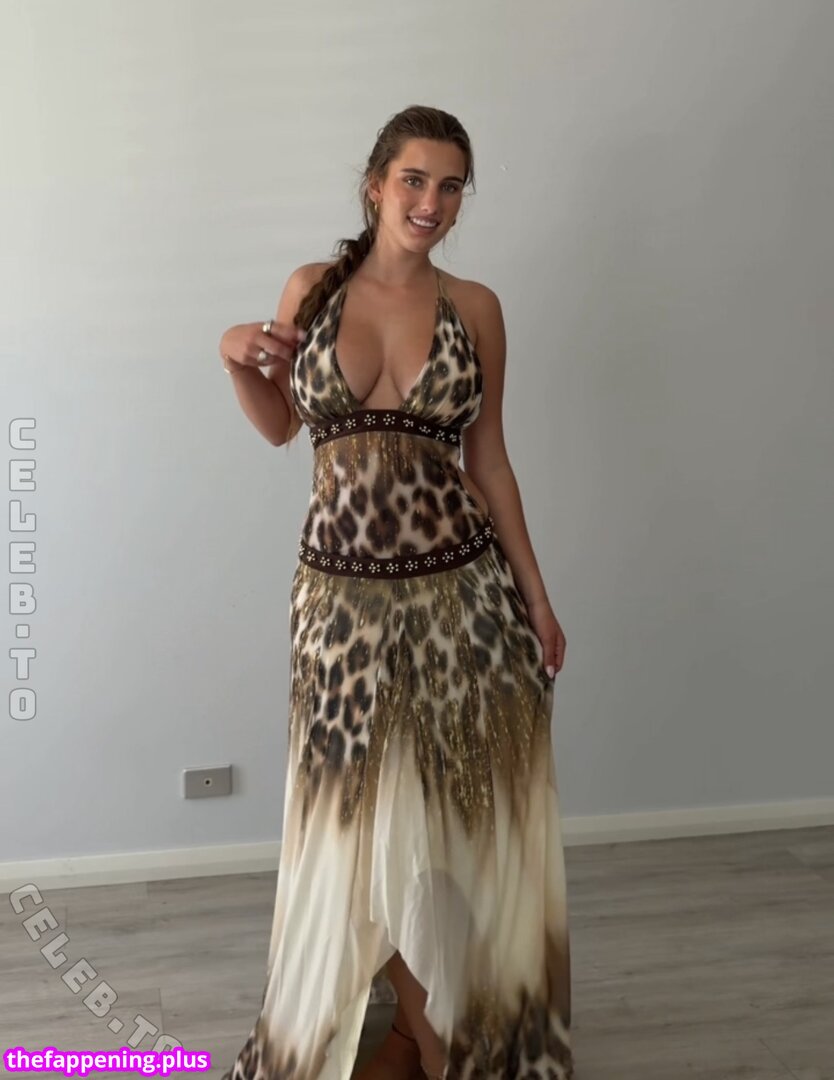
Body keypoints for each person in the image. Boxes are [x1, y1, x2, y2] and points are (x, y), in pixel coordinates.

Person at [216, 104, 573, 1080]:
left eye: (451, 186)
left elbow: (489, 461)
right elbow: (280, 426)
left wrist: (538, 600)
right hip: (338, 609)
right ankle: (401, 1029)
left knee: (445, 828)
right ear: (375, 185)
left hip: (463, 607)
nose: (432, 201)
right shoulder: (313, 289)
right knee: (357, 826)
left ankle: (428, 1034)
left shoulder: (476, 307)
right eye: (415, 179)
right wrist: (234, 354)